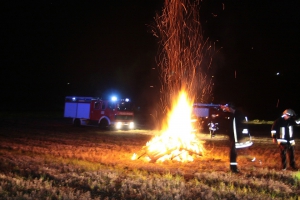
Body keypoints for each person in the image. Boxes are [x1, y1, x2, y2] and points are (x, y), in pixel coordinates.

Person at [220, 103, 253, 173]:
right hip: (236, 137)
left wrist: (236, 139)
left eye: (228, 108)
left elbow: (236, 128)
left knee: (235, 153)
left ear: (231, 108)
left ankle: (234, 168)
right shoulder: (237, 114)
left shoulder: (237, 115)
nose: (227, 109)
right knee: (234, 153)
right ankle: (233, 168)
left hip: (237, 138)